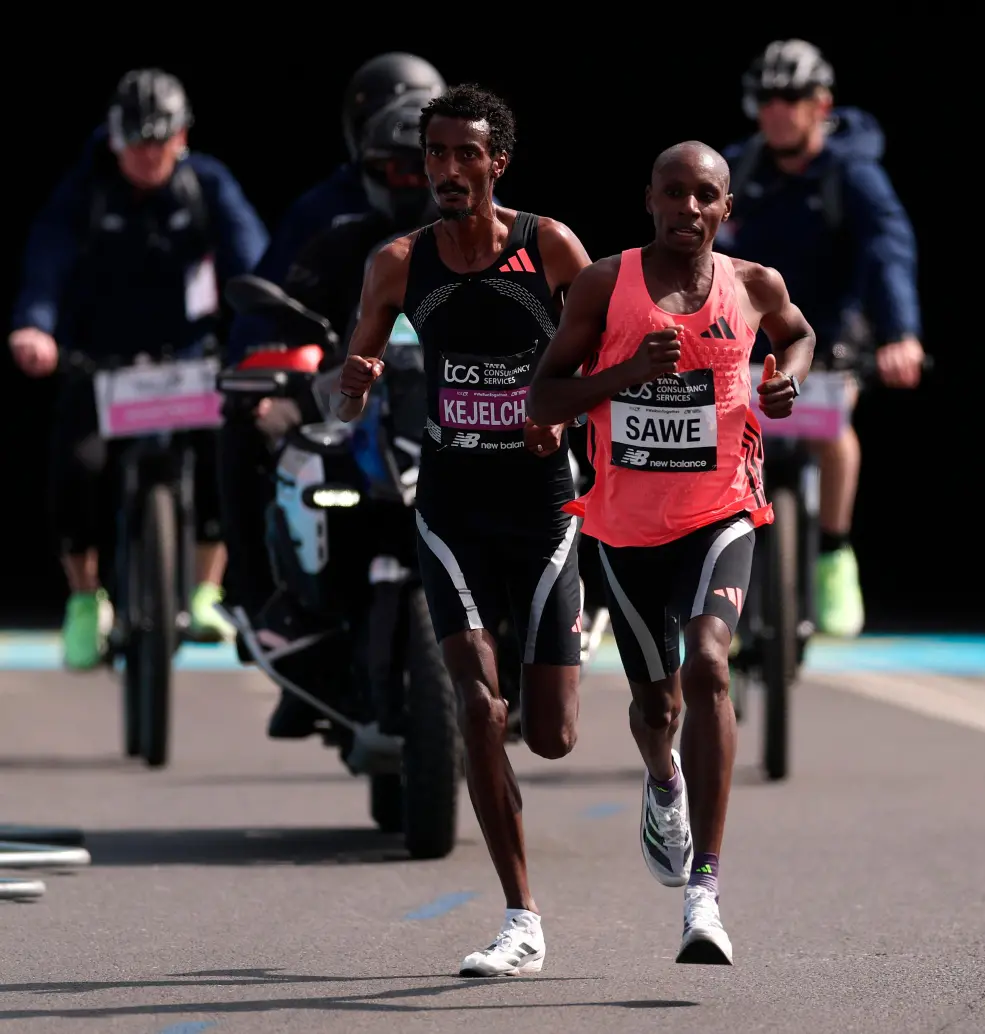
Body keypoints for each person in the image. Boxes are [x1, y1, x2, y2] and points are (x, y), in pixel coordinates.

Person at [527, 140, 816, 965]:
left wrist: (782, 378)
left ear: (726, 209)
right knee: (658, 709)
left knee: (710, 668)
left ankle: (705, 892)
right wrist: (619, 375)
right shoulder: (601, 285)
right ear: (648, 199)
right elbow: (544, 394)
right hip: (623, 528)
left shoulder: (754, 285)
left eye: (706, 196)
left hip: (721, 511)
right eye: (674, 194)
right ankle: (663, 784)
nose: (689, 209)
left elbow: (797, 336)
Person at [337, 83, 592, 977]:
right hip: (450, 506)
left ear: (496, 164)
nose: (446, 170)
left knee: (553, 732)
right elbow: (349, 373)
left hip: (542, 505)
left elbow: (596, 355)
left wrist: (562, 416)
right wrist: (355, 380)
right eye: (434, 155)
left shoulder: (549, 246)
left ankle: (579, 653)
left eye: (463, 155)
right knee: (478, 707)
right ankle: (521, 916)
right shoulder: (399, 263)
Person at [8, 67, 268, 669]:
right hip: (102, 363)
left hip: (190, 362)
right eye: (138, 145)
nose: (150, 157)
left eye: (162, 143)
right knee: (77, 464)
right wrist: (34, 326)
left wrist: (266, 328)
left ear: (182, 138)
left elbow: (252, 259)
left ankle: (207, 589)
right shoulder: (87, 189)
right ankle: (83, 598)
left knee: (229, 450)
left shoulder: (207, 184)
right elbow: (47, 260)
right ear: (116, 140)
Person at [216, 90, 443, 739]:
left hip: (460, 406)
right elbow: (271, 309)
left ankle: (553, 613)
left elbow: (550, 317)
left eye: (425, 167)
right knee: (258, 432)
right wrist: (267, 374)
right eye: (397, 168)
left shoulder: (495, 237)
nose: (414, 183)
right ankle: (277, 603)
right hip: (347, 401)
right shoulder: (334, 230)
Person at [716, 38, 925, 638]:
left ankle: (834, 553)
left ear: (820, 103)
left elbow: (889, 250)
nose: (777, 109)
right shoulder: (741, 169)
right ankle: (715, 583)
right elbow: (700, 253)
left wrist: (900, 333)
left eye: (791, 97)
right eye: (766, 98)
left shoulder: (852, 173)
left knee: (832, 434)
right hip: (751, 340)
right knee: (716, 443)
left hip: (831, 338)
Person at [222, 51, 447, 367]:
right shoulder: (325, 215)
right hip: (349, 387)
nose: (408, 183)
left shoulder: (475, 211)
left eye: (422, 163)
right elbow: (270, 316)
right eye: (389, 165)